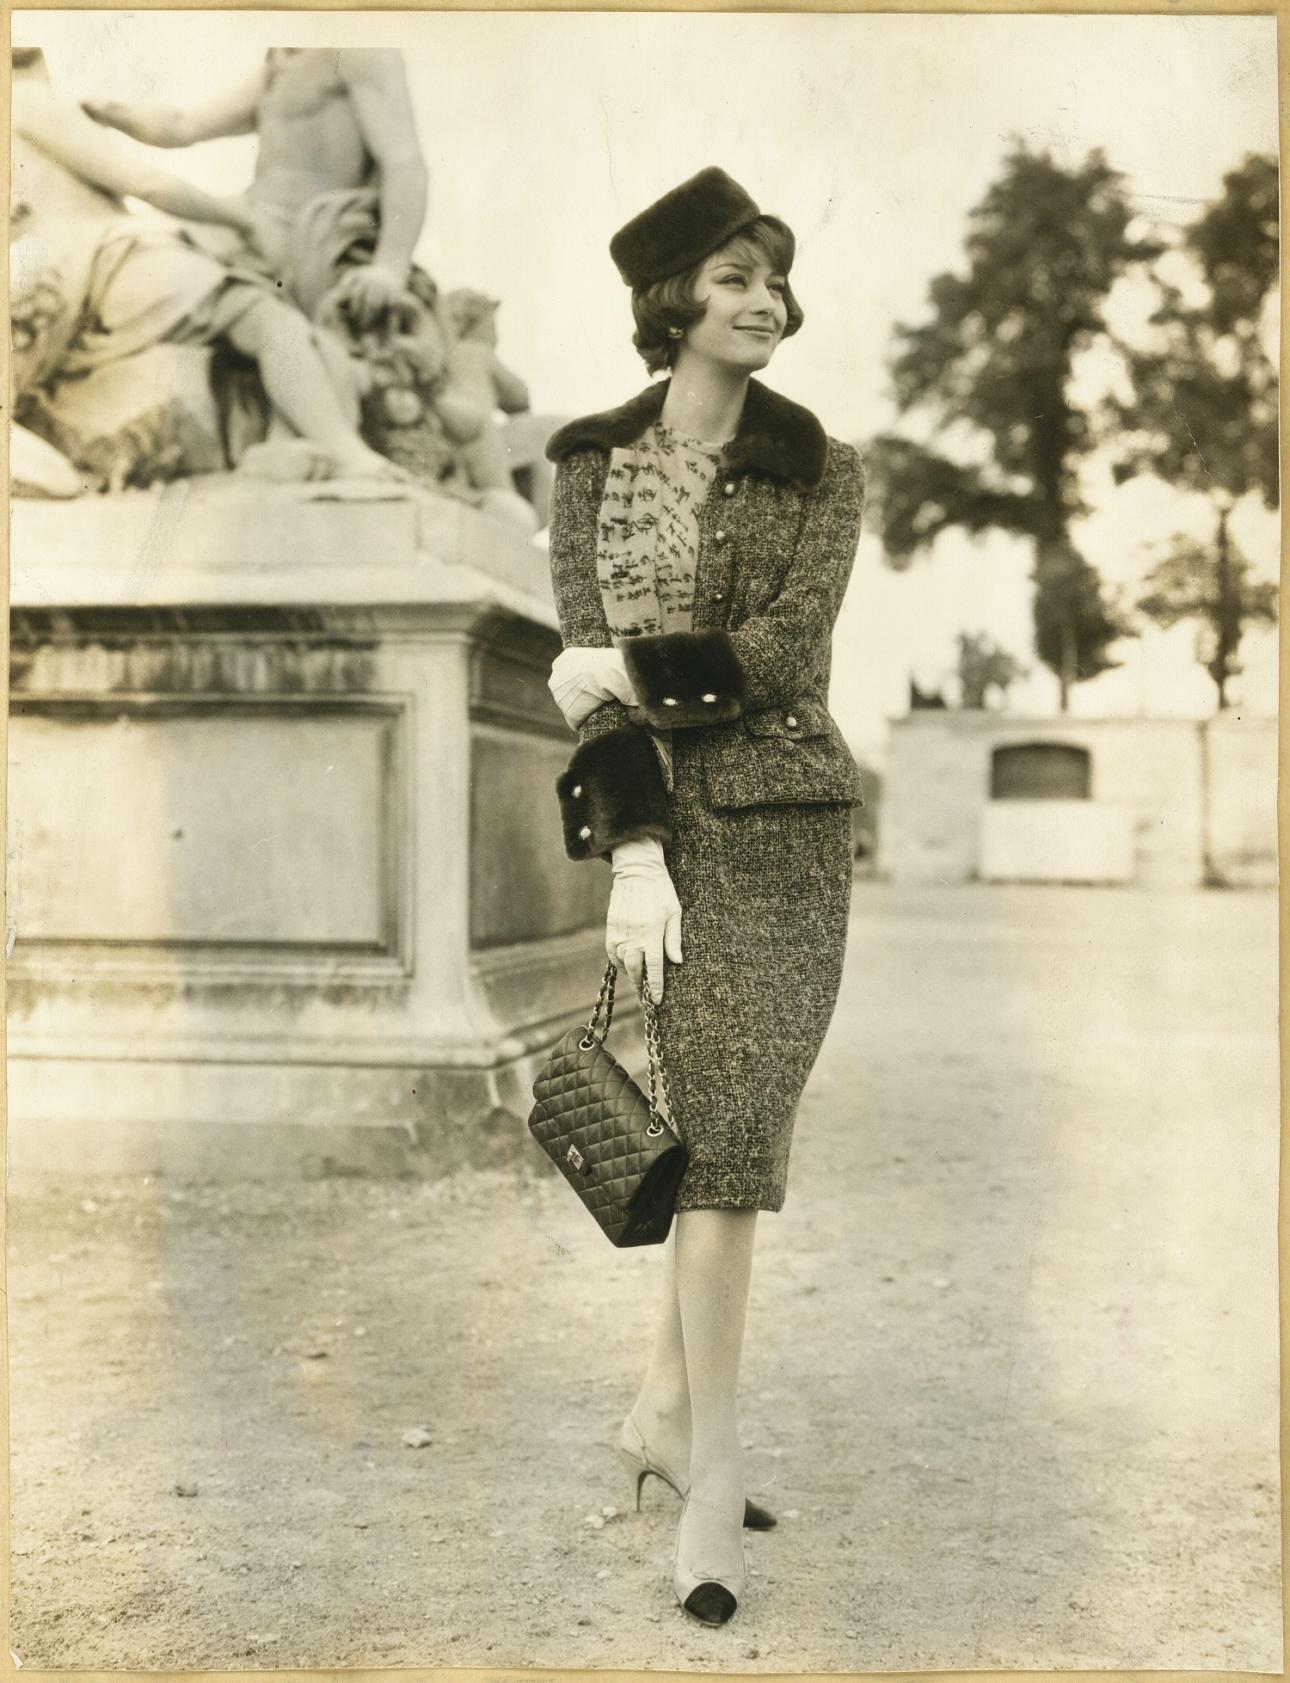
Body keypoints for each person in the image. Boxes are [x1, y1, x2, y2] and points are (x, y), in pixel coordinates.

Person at [542, 167, 867, 1627]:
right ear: (672, 297)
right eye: (737, 276)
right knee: (718, 1146)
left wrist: (617, 669)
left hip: (789, 830)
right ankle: (702, 1454)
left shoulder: (822, 464)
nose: (766, 303)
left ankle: (681, 1427)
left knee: (734, 1132)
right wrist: (629, 852)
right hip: (670, 840)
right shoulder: (586, 466)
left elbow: (785, 654)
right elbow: (578, 672)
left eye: (777, 280)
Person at [11, 47, 400, 484]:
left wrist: (116, 113)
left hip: (75, 280)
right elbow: (147, 182)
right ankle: (346, 453)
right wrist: (245, 221)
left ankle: (284, 445)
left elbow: (182, 125)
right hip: (114, 260)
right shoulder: (28, 102)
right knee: (265, 317)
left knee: (263, 312)